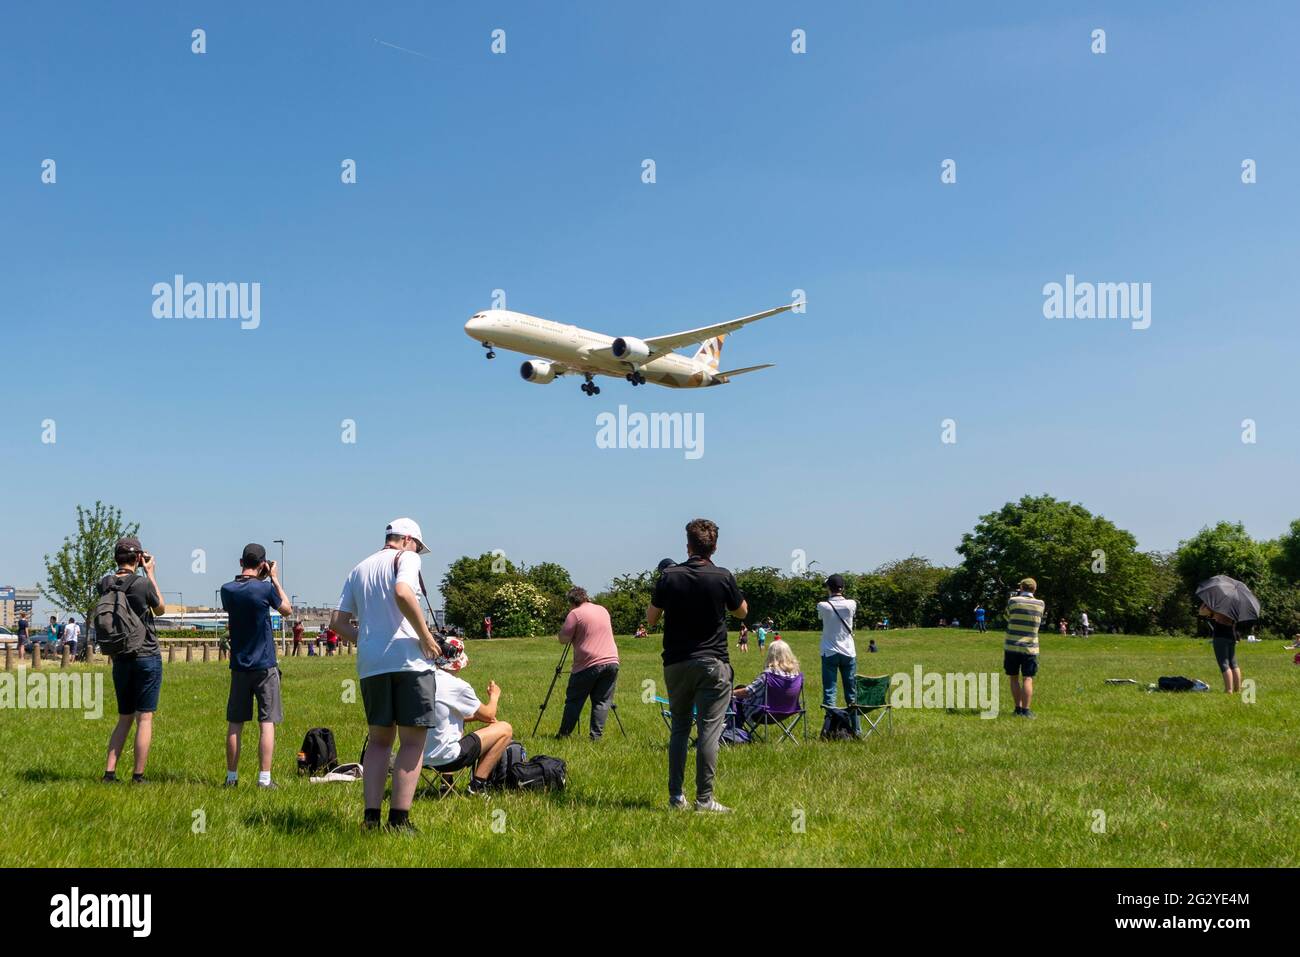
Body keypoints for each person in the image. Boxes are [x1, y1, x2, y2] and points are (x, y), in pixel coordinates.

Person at [329, 518, 447, 832]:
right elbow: (402, 592)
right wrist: (426, 637)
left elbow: (337, 621)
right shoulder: (406, 558)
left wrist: (366, 641)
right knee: (411, 742)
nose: (419, 552)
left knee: (379, 742)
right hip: (409, 662)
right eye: (419, 546)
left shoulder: (359, 568)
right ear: (408, 539)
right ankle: (399, 819)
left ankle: (370, 819)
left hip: (372, 665)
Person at [647, 518, 746, 814]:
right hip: (712, 662)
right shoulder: (722, 576)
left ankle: (676, 797)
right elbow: (741, 612)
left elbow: (651, 619)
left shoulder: (669, 576)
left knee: (679, 729)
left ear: (687, 545)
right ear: (714, 546)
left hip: (676, 663)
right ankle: (704, 799)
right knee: (708, 731)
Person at [220, 544, 292, 789]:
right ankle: (264, 779)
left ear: (241, 561)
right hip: (264, 665)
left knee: (235, 723)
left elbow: (241, 594)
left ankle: (231, 777)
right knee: (267, 722)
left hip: (239, 665)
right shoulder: (265, 589)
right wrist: (274, 579)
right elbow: (286, 610)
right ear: (263, 563)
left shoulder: (227, 590)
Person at [100, 537, 166, 783]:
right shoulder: (142, 584)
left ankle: (110, 772)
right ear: (138, 558)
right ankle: (138, 775)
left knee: (124, 717)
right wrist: (150, 573)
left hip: (120, 656)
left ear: (116, 558)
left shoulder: (105, 583)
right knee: (144, 718)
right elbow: (160, 609)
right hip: (146, 654)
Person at [424, 639, 514, 794]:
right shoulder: (458, 686)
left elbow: (443, 717)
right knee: (505, 728)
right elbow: (490, 715)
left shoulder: (423, 680)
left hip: (419, 757)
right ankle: (477, 785)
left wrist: (477, 717)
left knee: (457, 722)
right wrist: (494, 696)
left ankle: (446, 783)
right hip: (448, 759)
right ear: (456, 663)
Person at [556, 586, 620, 740]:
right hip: (612, 660)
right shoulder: (602, 609)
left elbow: (563, 639)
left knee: (574, 700)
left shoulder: (575, 614)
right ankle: (596, 737)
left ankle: (564, 734)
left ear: (572, 601)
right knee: (602, 701)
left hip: (588, 664)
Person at [817, 573, 859, 733]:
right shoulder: (851, 604)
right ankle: (856, 729)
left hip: (829, 651)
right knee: (851, 693)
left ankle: (830, 730)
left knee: (830, 691)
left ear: (829, 587)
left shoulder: (823, 605)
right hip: (848, 651)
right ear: (843, 587)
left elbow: (823, 618)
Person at [731, 638, 801, 724]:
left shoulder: (769, 675)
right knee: (741, 688)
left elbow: (748, 691)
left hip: (765, 714)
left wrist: (729, 693)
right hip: (789, 712)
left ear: (771, 655)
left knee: (735, 697)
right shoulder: (797, 675)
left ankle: (735, 730)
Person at [1004, 578, 1045, 718]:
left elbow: (1007, 617)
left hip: (1012, 645)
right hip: (1030, 647)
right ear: (1034, 589)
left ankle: (1017, 708)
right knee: (1028, 678)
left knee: (1014, 678)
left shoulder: (1013, 601)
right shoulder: (1040, 604)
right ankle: (1026, 710)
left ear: (1021, 587)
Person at [1198, 603, 1243, 694]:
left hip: (1220, 636)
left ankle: (1229, 690)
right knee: (1233, 663)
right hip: (1231, 635)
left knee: (1224, 663)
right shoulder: (1235, 606)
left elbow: (1201, 612)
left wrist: (1205, 602)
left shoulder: (1219, 604)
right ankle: (1237, 689)